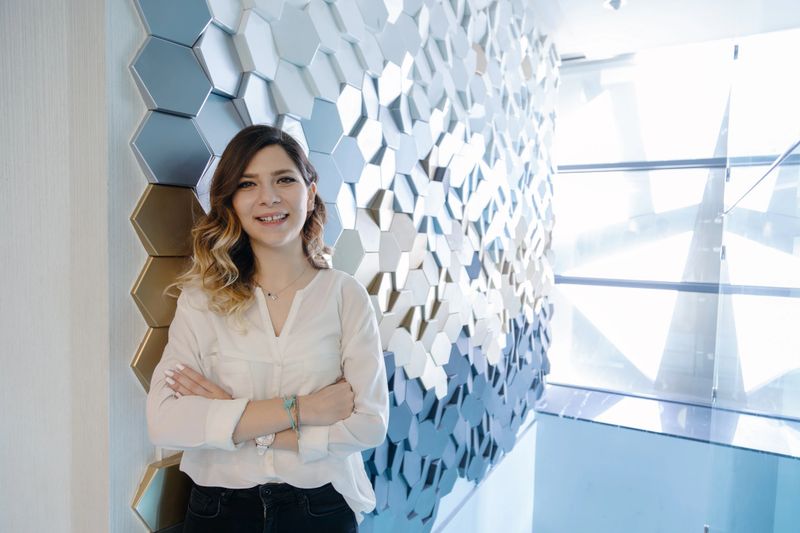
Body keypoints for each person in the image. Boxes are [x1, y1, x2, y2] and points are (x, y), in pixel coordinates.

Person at [146, 124, 389, 533]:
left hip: (320, 509)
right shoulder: (202, 299)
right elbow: (166, 421)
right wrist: (304, 409)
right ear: (231, 202)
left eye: (284, 180)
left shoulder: (345, 296)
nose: (269, 197)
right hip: (218, 511)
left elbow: (369, 425)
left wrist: (239, 420)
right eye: (248, 184)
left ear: (310, 193)